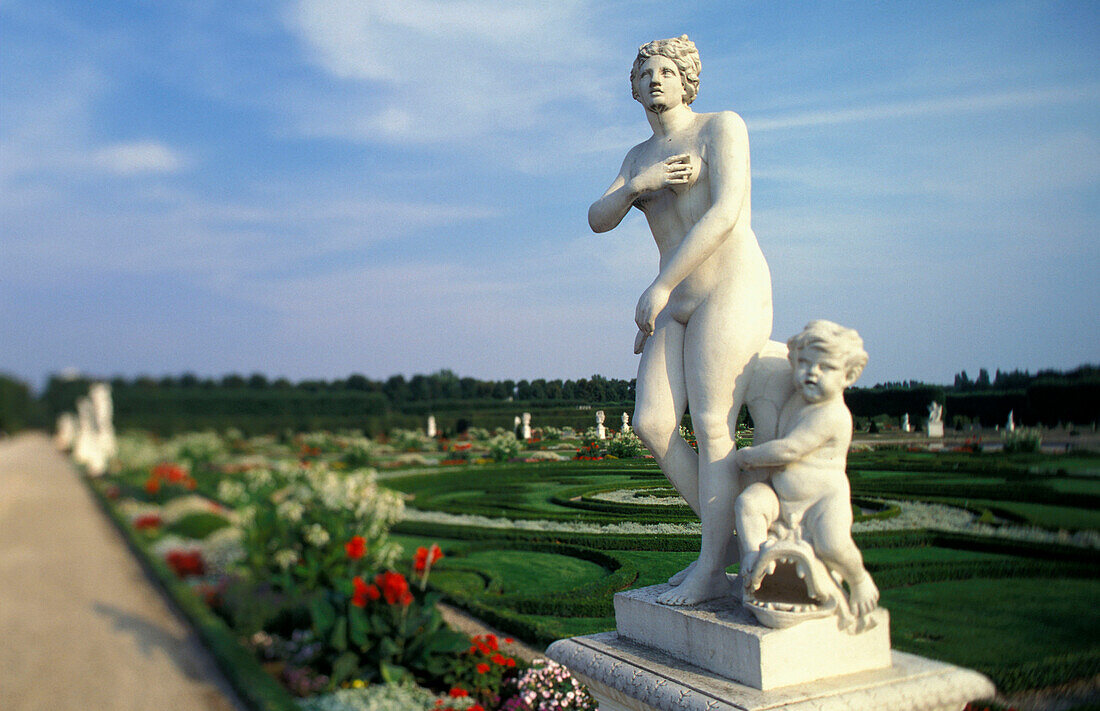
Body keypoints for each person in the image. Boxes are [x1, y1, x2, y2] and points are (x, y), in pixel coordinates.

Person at [588, 35, 773, 605]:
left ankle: (710, 566)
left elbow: (725, 213)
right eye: (645, 74)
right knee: (652, 423)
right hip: (673, 298)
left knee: (714, 424)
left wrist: (661, 286)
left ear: (688, 79)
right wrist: (638, 188)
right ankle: (741, 549)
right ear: (635, 87)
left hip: (728, 287)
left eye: (668, 71)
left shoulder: (722, 127)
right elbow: (598, 218)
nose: (656, 80)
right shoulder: (636, 159)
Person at [734, 321, 880, 618]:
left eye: (825, 367)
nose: (812, 373)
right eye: (805, 364)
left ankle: (858, 578)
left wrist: (748, 456)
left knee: (833, 545)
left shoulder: (832, 414)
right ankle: (751, 557)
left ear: (848, 375)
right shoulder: (797, 399)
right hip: (782, 499)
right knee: (749, 503)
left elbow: (789, 450)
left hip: (821, 502)